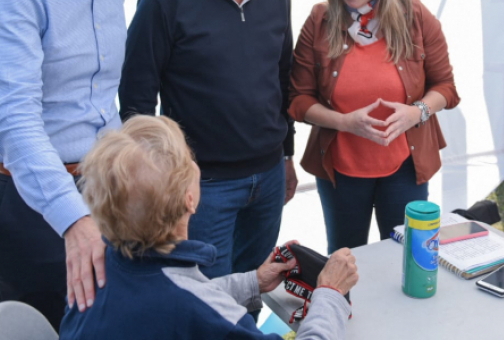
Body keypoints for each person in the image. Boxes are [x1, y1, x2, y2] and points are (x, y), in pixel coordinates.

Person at [0, 0, 170, 328]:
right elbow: (16, 120)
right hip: (30, 199)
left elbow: (100, 101)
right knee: (45, 321)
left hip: (102, 186)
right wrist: (74, 221)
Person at [119, 0, 296, 280]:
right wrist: (160, 182)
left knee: (255, 288)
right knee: (207, 297)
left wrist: (287, 157)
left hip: (267, 180)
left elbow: (283, 81)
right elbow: (136, 103)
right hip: (202, 188)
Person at [60, 115, 358, 340]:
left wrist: (252, 283)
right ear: (190, 199)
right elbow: (190, 303)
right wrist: (329, 294)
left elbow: (170, 297)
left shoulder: (93, 274)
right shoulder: (199, 309)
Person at [289, 0, 460, 253]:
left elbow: (446, 88)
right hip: (340, 168)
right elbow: (297, 99)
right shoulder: (320, 20)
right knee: (344, 257)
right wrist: (344, 122)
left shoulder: (415, 16)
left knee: (403, 256)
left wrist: (416, 112)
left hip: (406, 168)